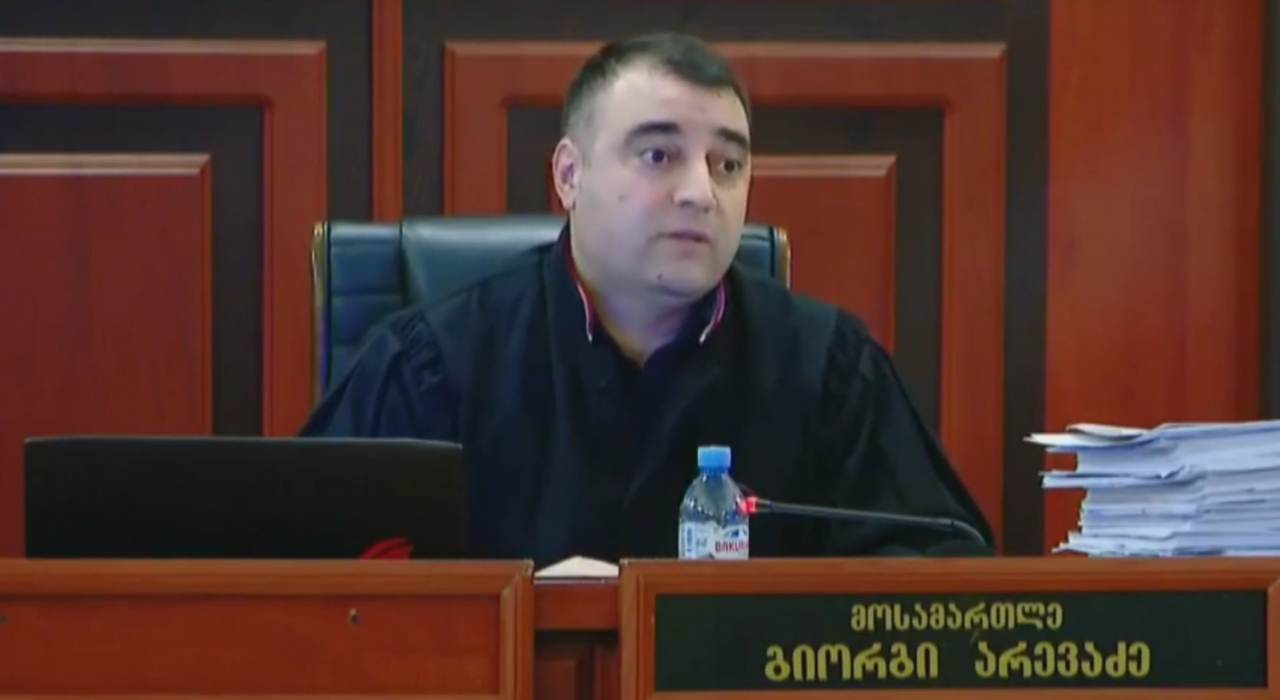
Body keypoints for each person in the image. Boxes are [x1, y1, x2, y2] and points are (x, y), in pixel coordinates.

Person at [302, 32, 991, 561]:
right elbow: (306, 581)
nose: (701, 193)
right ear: (569, 175)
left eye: (727, 164)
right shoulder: (431, 365)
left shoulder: (829, 367)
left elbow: (936, 572)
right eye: (659, 155)